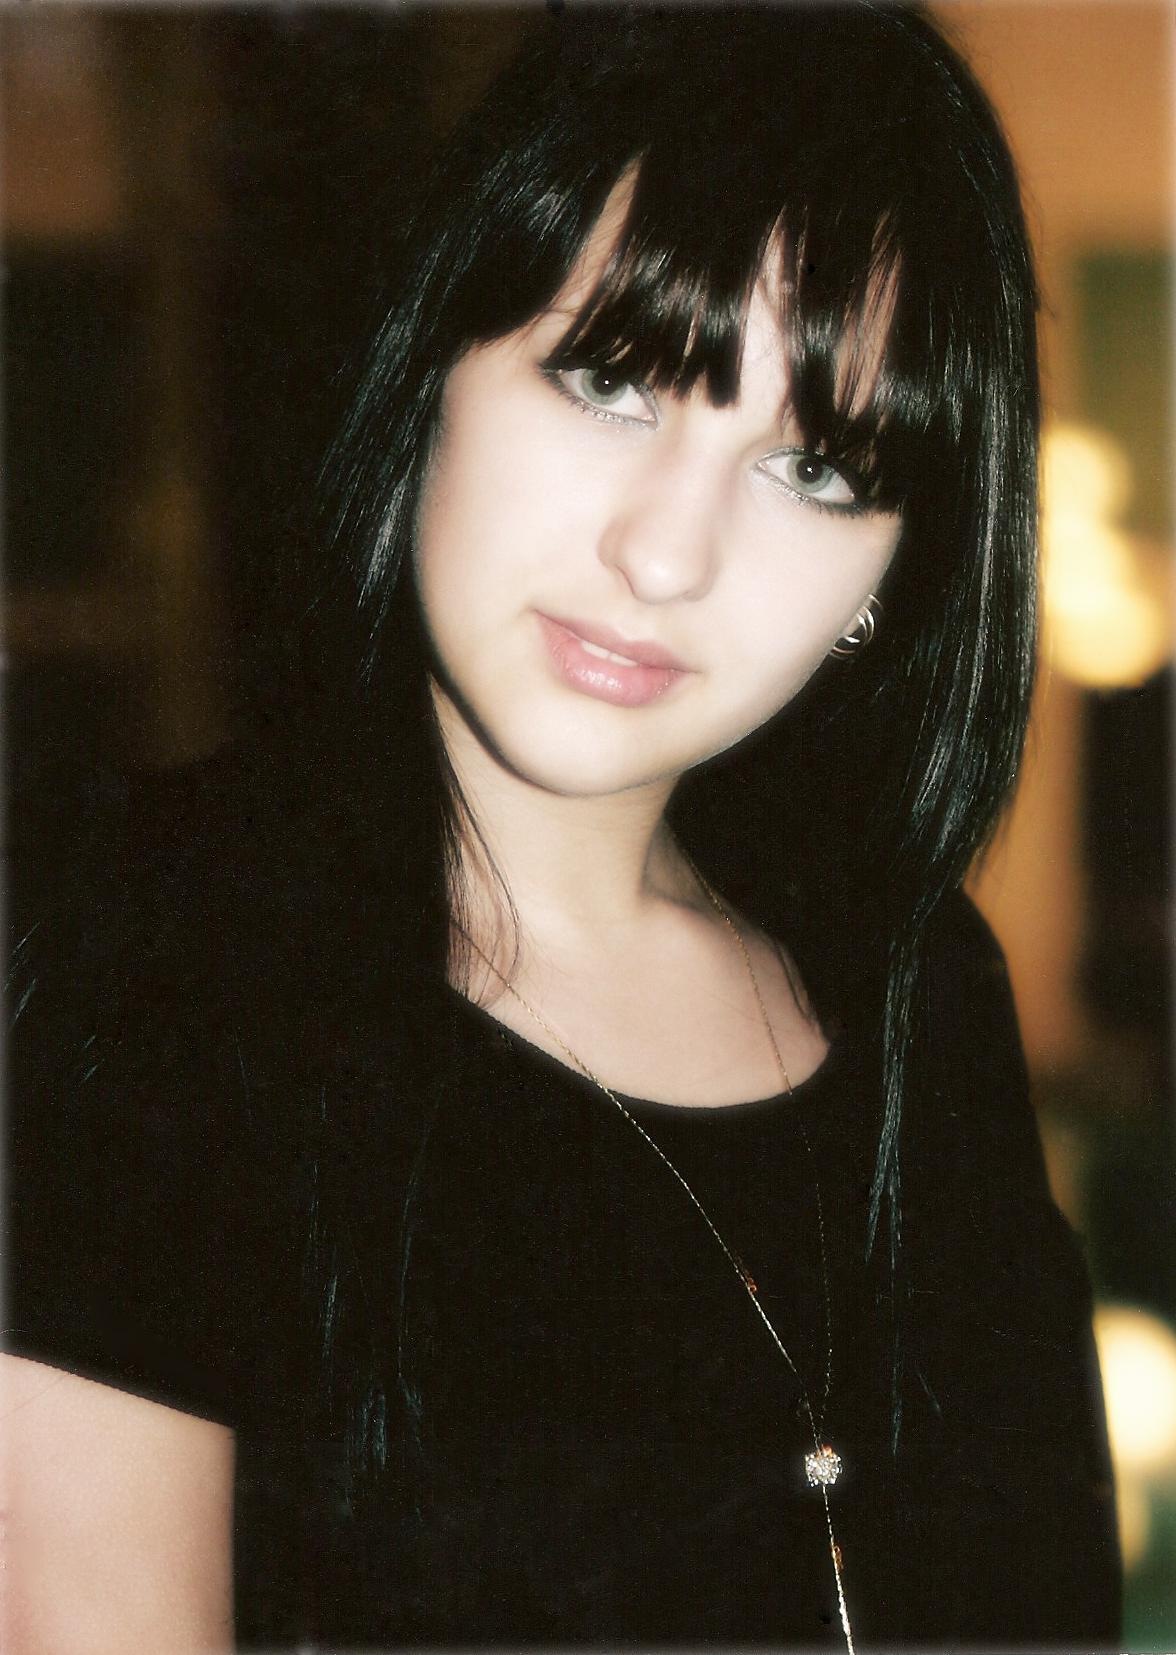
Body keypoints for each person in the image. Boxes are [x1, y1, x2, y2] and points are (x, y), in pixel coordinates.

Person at [4, 5, 1121, 1650]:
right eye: (611, 379)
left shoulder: (922, 998)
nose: (667, 555)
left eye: (817, 470)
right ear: (435, 364)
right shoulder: (141, 966)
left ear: (895, 580)